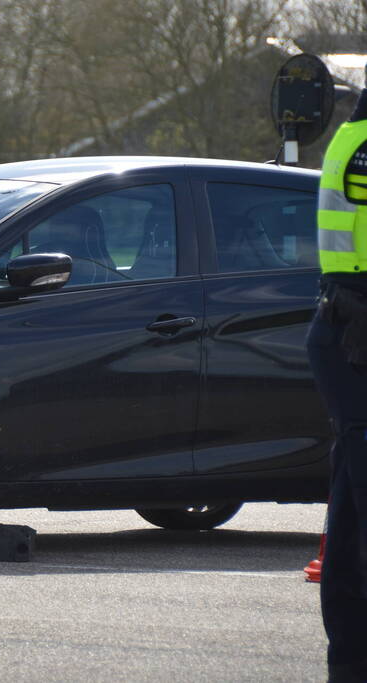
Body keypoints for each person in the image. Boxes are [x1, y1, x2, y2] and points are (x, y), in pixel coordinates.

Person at [307, 69, 367, 683]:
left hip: (348, 323)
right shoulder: (364, 143)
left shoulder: (356, 135)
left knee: (351, 511)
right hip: (356, 327)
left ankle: (350, 661)